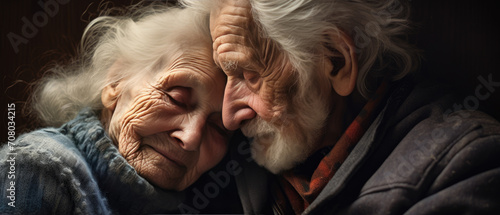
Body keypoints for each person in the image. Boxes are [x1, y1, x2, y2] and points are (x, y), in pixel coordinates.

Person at [182, 0, 500, 214]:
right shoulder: (233, 162)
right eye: (226, 77)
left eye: (250, 76)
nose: (228, 117)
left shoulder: (467, 163)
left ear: (336, 61)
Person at [0, 2, 229, 214]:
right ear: (115, 82)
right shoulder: (38, 169)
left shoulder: (211, 198)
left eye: (219, 127)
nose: (191, 138)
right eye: (176, 98)